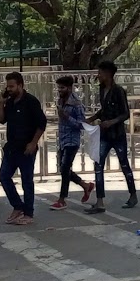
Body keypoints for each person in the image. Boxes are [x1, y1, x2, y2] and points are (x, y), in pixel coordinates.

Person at [86, 60, 137, 213]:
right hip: (105, 134)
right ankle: (100, 201)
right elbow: (103, 109)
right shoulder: (102, 90)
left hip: (117, 134)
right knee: (98, 164)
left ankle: (133, 195)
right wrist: (92, 118)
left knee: (124, 164)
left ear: (108, 74)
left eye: (100, 73)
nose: (98, 76)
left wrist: (112, 122)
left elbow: (126, 113)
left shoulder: (119, 91)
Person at [0, 71, 46, 226]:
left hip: (26, 148)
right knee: (4, 176)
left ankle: (28, 213)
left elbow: (42, 123)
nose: (9, 89)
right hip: (12, 147)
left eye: (12, 86)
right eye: (7, 86)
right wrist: (1, 102)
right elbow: (1, 120)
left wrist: (33, 143)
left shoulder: (31, 101)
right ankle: (18, 206)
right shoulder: (10, 101)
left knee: (26, 181)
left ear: (20, 85)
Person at [49, 74, 95, 211]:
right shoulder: (61, 100)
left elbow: (82, 124)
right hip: (62, 139)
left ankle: (62, 199)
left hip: (72, 141)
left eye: (62, 88)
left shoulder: (76, 104)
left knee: (64, 169)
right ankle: (85, 186)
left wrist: (67, 117)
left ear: (69, 88)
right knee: (63, 169)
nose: (59, 90)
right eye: (58, 88)